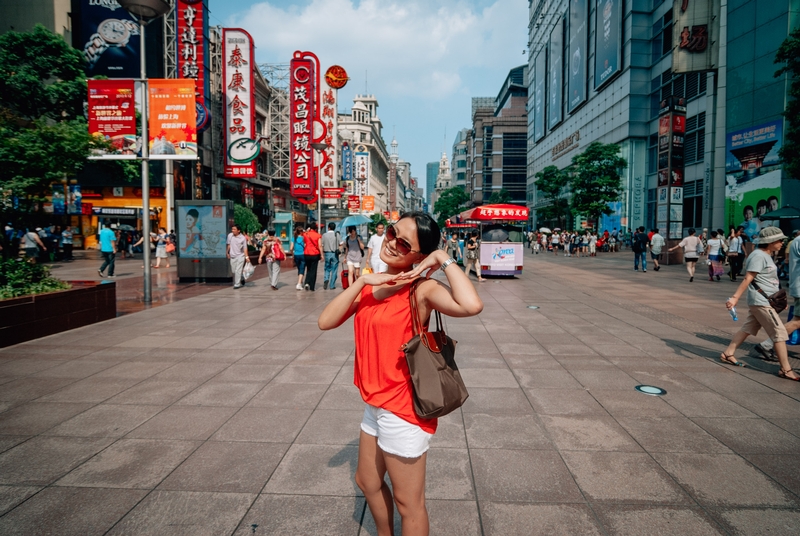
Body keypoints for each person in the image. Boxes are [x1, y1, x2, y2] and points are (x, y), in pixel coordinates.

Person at [317, 212, 483, 536]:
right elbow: (325, 321)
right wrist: (364, 281)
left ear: (418, 255)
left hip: (402, 409)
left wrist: (442, 258)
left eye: (404, 243)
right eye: (392, 233)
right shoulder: (373, 283)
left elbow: (471, 304)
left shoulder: (421, 290)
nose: (392, 243)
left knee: (410, 504)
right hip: (374, 403)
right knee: (367, 480)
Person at [723, 227, 800, 381]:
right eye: (779, 241)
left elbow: (769, 280)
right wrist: (734, 298)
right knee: (779, 333)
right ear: (770, 242)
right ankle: (786, 369)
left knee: (748, 328)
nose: (782, 244)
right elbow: (748, 278)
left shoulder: (766, 255)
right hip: (761, 301)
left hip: (765, 299)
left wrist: (779, 299)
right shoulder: (758, 256)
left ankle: (728, 353)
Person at [226, 224, 248, 289]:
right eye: (232, 229)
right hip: (232, 256)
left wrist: (246, 257)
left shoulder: (243, 238)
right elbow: (229, 245)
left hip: (240, 256)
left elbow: (245, 248)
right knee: (233, 271)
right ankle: (241, 277)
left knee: (238, 270)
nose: (232, 230)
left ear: (238, 230)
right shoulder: (230, 236)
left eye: (234, 229)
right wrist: (227, 252)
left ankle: (237, 284)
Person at [303, 223, 322, 291]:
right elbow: (320, 246)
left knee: (308, 268)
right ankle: (312, 286)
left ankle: (307, 282)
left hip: (307, 253)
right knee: (313, 270)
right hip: (315, 254)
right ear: (315, 228)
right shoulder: (318, 235)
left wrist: (307, 231)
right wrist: (322, 255)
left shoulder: (306, 234)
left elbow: (304, 242)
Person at [322, 222, 340, 290]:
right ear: (334, 228)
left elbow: (322, 244)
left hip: (327, 253)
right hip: (334, 254)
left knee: (327, 268)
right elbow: (341, 243)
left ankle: (326, 279)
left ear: (328, 228)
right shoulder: (337, 234)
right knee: (334, 269)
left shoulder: (324, 235)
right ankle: (332, 285)